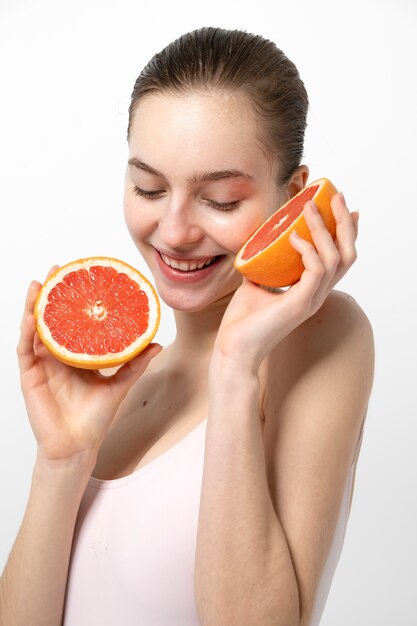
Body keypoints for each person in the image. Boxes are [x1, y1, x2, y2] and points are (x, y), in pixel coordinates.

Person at [0, 26, 374, 626]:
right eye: (149, 187)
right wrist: (61, 460)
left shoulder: (321, 338)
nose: (173, 231)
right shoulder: (122, 382)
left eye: (220, 200)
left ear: (293, 198)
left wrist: (233, 366)